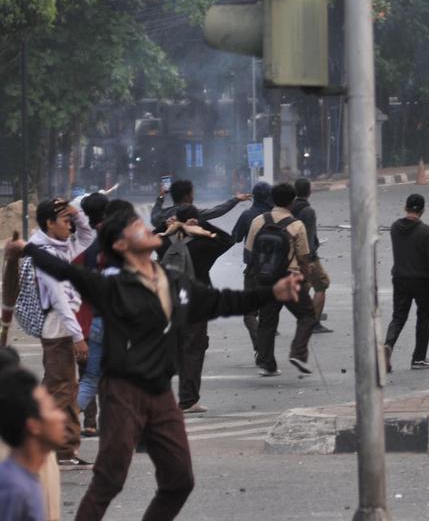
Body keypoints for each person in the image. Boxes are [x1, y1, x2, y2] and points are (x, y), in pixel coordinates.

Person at [6, 210, 302, 521]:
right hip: (123, 392)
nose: (145, 229)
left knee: (179, 481)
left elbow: (221, 301)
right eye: (135, 227)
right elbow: (65, 271)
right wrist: (26, 248)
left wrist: (272, 293)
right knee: (109, 480)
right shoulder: (113, 287)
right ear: (120, 245)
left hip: (161, 395)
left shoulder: (174, 282)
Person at [29, 199, 94, 467]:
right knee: (63, 389)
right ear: (49, 223)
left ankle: (61, 448)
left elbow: (88, 235)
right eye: (65, 220)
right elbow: (58, 299)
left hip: (62, 327)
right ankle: (54, 447)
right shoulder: (43, 252)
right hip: (58, 328)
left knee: (58, 387)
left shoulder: (60, 247)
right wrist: (77, 336)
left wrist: (77, 215)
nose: (70, 226)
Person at [244, 183, 318, 376]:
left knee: (267, 322)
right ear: (292, 201)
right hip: (289, 278)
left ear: (272, 199)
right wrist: (304, 280)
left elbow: (249, 252)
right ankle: (298, 353)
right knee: (307, 315)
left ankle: (267, 364)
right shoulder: (296, 225)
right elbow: (303, 257)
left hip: (265, 279)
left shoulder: (259, 221)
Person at [168, 206, 234, 414]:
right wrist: (203, 225)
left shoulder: (164, 242)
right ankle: (188, 400)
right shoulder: (204, 244)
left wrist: (169, 225)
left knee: (176, 348)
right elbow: (227, 239)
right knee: (194, 350)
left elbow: (153, 234)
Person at [0, 356, 67, 521]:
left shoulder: (29, 476)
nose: (61, 416)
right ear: (33, 425)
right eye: (52, 409)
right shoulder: (13, 489)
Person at [384, 193, 429, 373]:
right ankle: (418, 358)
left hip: (400, 279)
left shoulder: (395, 228)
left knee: (398, 317)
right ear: (423, 210)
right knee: (423, 319)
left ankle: (388, 345)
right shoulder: (425, 230)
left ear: (405, 207)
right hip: (421, 280)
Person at [71, 194, 108, 440]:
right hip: (103, 318)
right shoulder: (106, 242)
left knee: (87, 375)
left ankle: (88, 423)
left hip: (81, 319)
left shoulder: (75, 245)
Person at [232, 182, 273, 363]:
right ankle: (265, 351)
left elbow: (235, 237)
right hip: (275, 270)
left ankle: (260, 348)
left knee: (249, 313)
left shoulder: (247, 215)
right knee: (268, 313)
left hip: (253, 269)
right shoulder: (276, 216)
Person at [291, 178, 333, 334]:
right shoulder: (308, 211)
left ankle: (269, 320)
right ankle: (313, 323)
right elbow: (307, 237)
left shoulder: (290, 208)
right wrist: (308, 259)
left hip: (291, 255)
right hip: (307, 256)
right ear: (309, 191)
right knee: (322, 284)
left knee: (301, 287)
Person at [149, 179, 247, 230]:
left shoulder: (163, 215)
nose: (193, 197)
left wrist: (161, 196)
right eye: (192, 194)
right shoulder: (191, 213)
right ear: (186, 197)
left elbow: (154, 215)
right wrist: (236, 199)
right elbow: (217, 211)